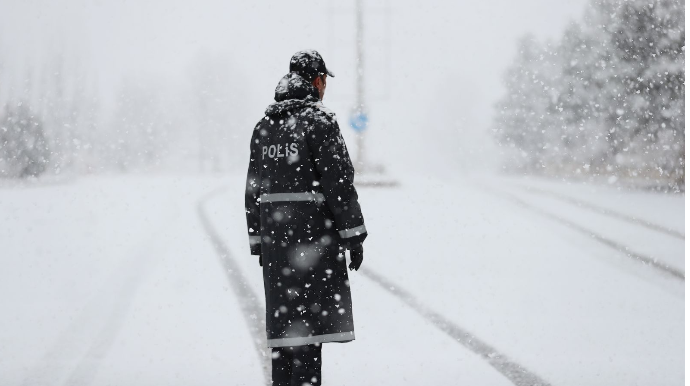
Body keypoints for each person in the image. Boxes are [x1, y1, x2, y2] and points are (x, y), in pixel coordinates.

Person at [245, 50, 368, 386]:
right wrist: (354, 236)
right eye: (324, 79)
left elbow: (252, 188)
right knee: (307, 337)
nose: (325, 86)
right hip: (311, 243)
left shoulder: (264, 127)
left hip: (276, 247)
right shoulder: (320, 122)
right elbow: (338, 183)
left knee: (284, 338)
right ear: (317, 80)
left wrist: (259, 241)